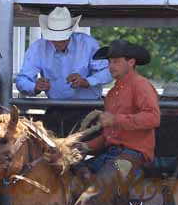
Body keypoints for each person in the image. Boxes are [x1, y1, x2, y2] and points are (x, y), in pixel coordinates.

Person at [48, 40, 160, 205]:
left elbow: (153, 118)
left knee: (98, 193)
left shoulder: (141, 86)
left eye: (116, 61)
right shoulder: (111, 94)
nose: (111, 66)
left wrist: (117, 120)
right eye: (109, 61)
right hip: (111, 155)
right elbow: (109, 136)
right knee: (68, 176)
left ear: (131, 62)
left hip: (132, 158)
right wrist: (86, 146)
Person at [15, 7, 113, 136]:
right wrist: (35, 87)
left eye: (62, 38)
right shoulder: (38, 47)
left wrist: (87, 81)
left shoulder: (88, 44)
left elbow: (109, 72)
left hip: (87, 109)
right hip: (56, 109)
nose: (58, 41)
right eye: (54, 38)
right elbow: (22, 80)